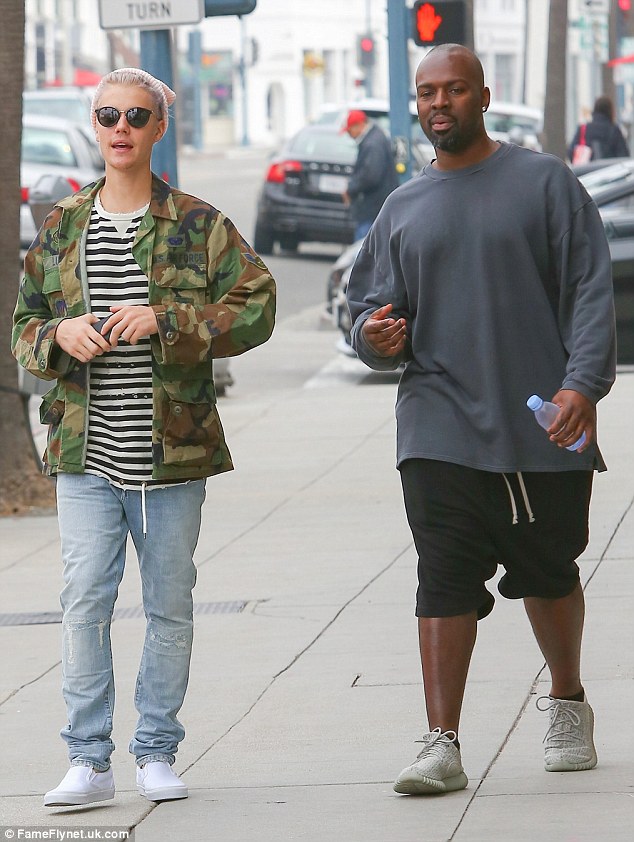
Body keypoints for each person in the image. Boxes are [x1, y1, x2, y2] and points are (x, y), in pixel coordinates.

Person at [346, 44, 616, 795]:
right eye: (428, 92)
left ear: (483, 95)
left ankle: (566, 699)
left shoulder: (545, 183)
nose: (439, 103)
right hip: (436, 423)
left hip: (538, 424)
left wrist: (582, 387)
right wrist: (373, 336)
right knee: (443, 575)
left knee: (546, 569)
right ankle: (442, 742)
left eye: (454, 90)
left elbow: (590, 292)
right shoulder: (403, 206)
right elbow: (365, 310)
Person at [12, 68, 276, 807]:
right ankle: (88, 762)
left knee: (169, 603)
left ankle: (156, 750)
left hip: (173, 455)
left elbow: (257, 307)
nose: (120, 127)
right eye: (107, 115)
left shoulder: (198, 223)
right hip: (84, 455)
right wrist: (58, 333)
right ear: (95, 127)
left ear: (159, 126)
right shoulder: (62, 225)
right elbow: (23, 328)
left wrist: (169, 319)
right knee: (84, 602)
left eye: (136, 114)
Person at [341, 110, 399, 241]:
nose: (350, 135)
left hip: (372, 208)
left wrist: (350, 188)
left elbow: (370, 176)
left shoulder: (372, 144)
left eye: (350, 131)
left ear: (359, 125)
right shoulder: (375, 138)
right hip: (376, 207)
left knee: (364, 248)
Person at [568, 95, 629, 162]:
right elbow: (623, 156)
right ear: (610, 111)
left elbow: (571, 152)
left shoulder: (583, 129)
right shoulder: (614, 130)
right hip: (608, 170)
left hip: (585, 171)